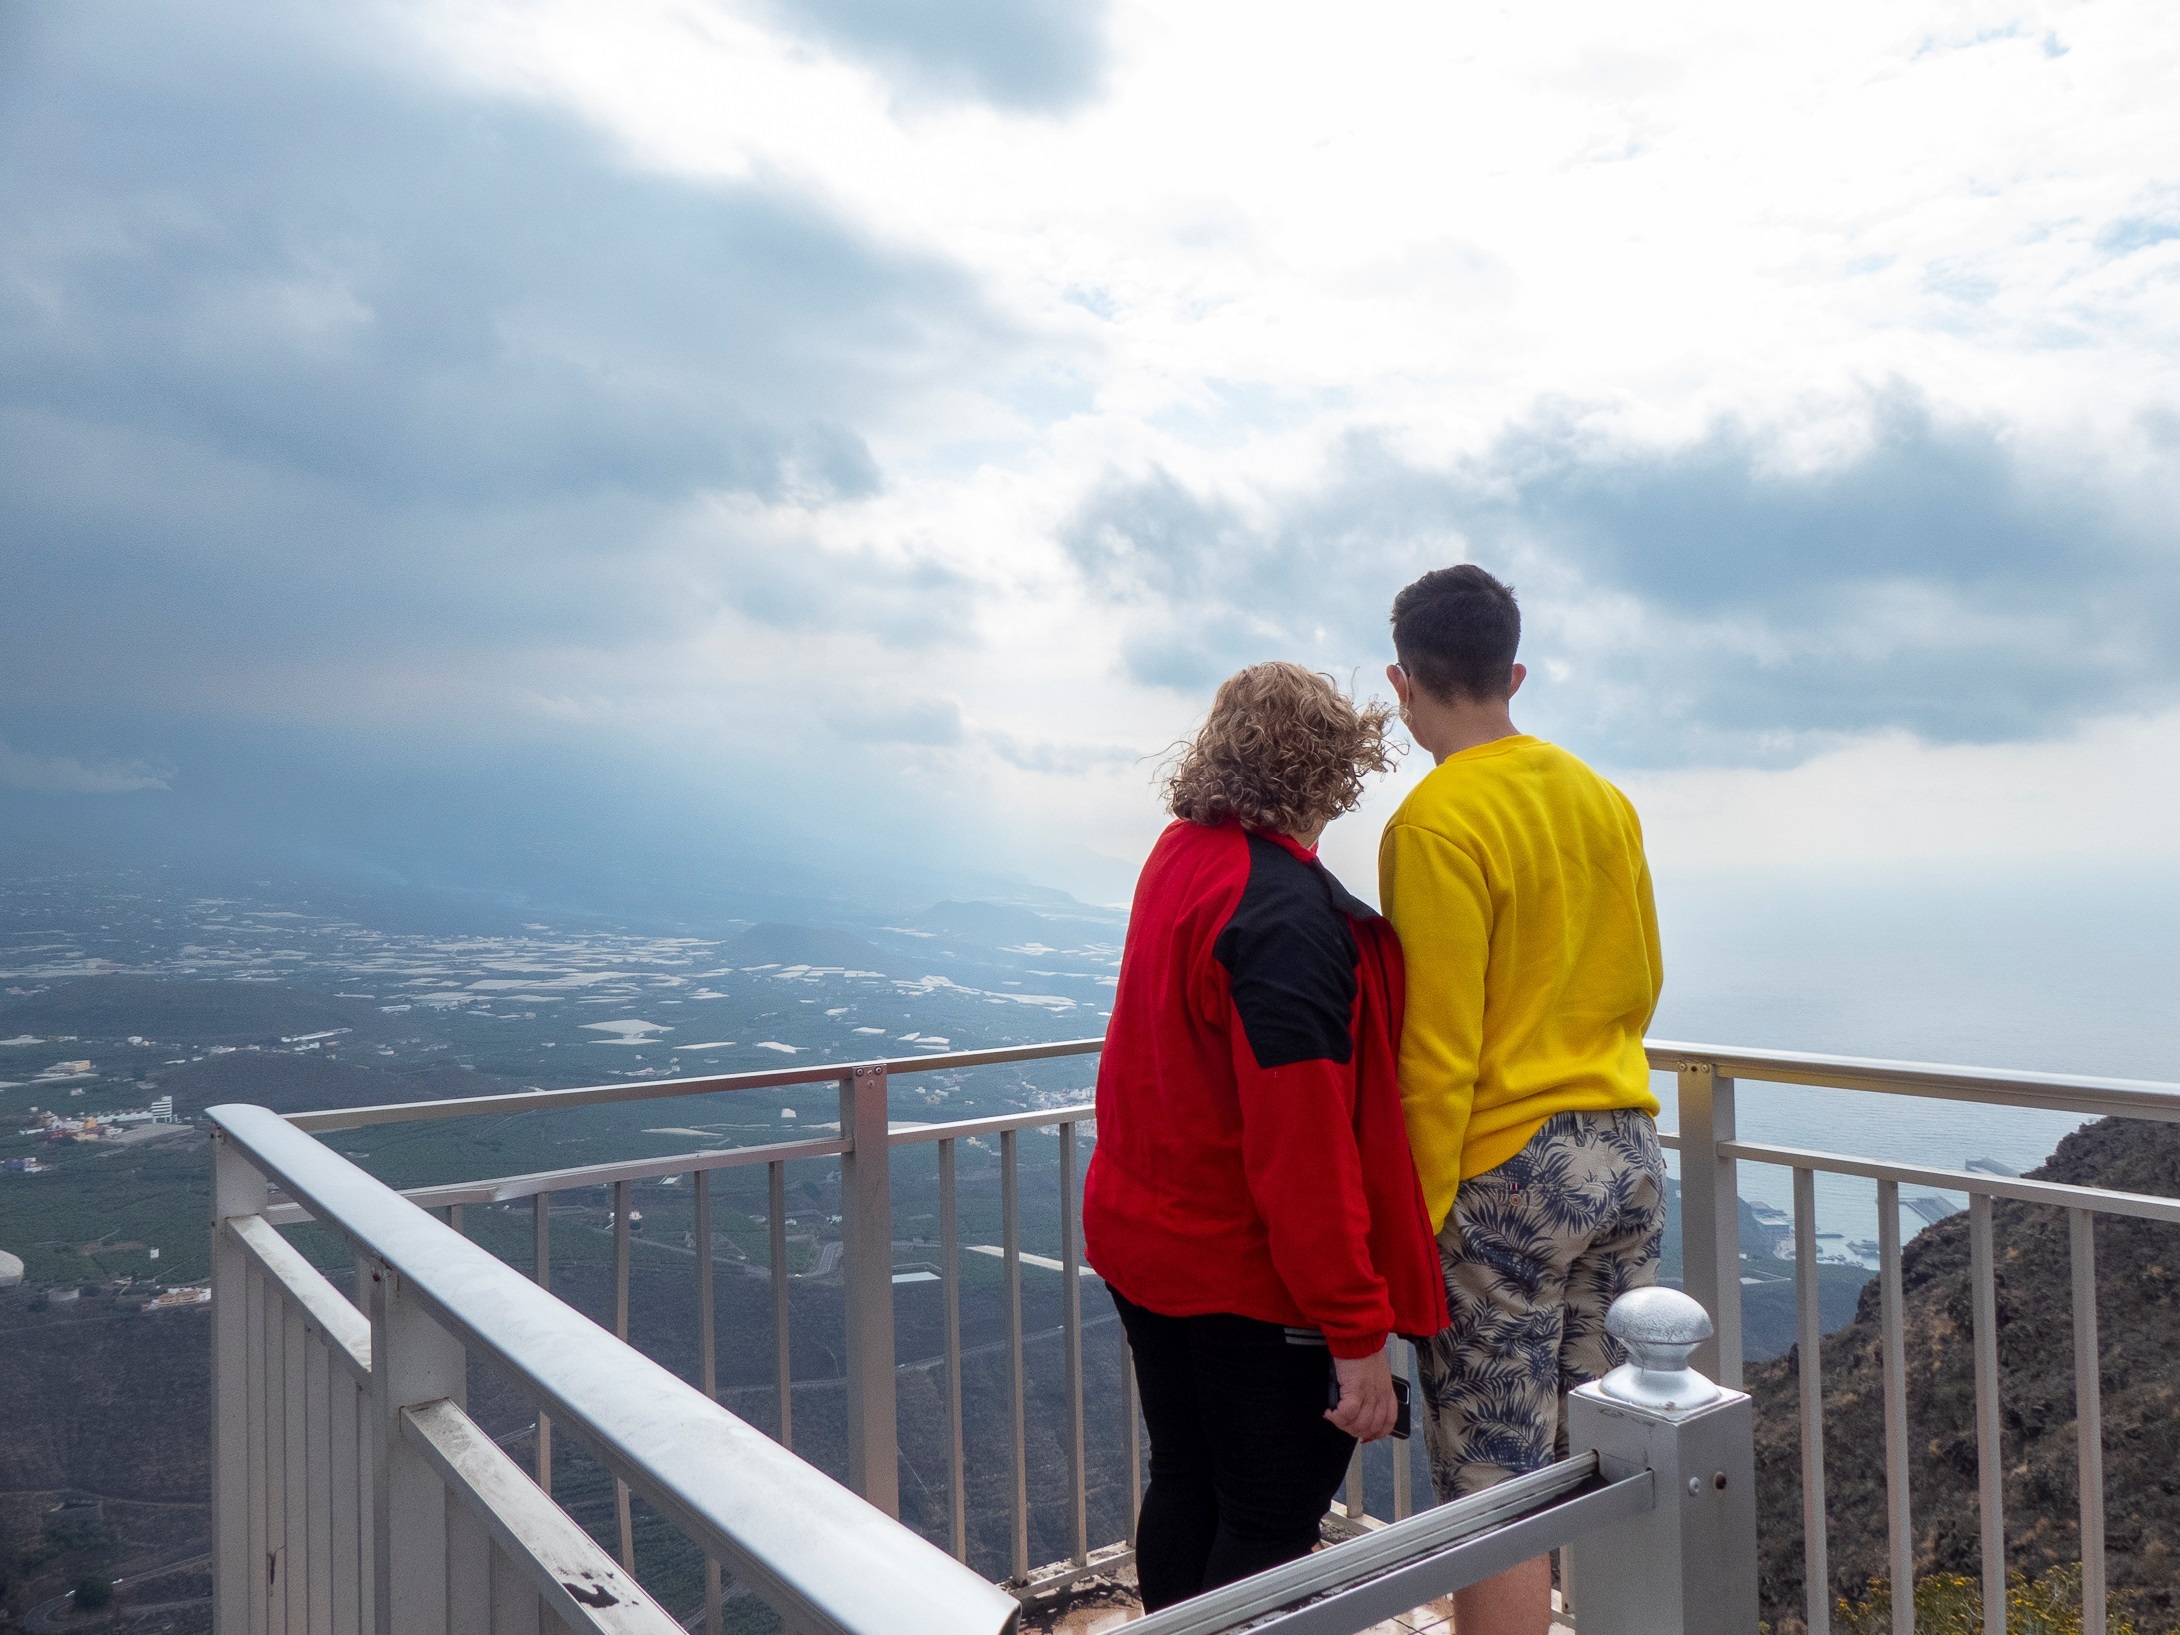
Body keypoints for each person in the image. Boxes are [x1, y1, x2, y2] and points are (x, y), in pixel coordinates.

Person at [1083, 661, 1450, 1612]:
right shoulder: (1281, 913)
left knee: (1188, 1479)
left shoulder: (1182, 855)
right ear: (1334, 772)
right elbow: (1305, 1151)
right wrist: (1358, 1333)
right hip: (1245, 1278)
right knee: (1271, 1523)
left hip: (1146, 1247)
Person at [1377, 565, 1667, 1635]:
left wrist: (1406, 1222)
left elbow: (1436, 1053)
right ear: (1514, 671)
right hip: (1623, 1148)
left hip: (1506, 1176)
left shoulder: (1433, 824)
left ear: (1403, 684)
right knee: (1610, 1450)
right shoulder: (1602, 799)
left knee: (1495, 1483)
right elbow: (1640, 980)